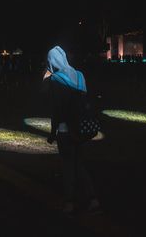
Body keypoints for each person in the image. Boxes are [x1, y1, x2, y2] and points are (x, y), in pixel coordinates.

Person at [43, 46, 101, 216]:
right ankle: (92, 200)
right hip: (81, 128)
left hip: (65, 130)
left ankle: (69, 203)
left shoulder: (56, 80)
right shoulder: (79, 75)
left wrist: (53, 132)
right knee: (79, 164)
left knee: (68, 166)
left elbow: (57, 110)